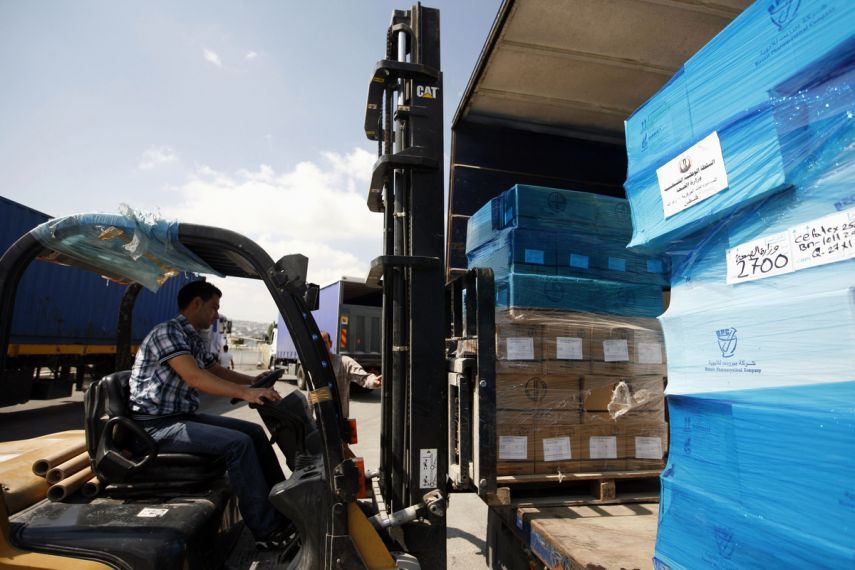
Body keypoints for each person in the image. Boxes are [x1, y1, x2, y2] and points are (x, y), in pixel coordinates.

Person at [128, 280, 293, 551]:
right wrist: (246, 393)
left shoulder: (190, 337)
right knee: (238, 444)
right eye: (214, 307)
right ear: (196, 303)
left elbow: (214, 370)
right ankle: (267, 530)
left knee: (253, 432)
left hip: (179, 418)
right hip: (153, 427)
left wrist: (253, 382)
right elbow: (195, 377)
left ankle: (286, 506)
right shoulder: (167, 332)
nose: (217, 314)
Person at [320, 330, 381, 418]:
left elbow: (363, 377)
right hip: (318, 421)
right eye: (318, 343)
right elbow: (312, 398)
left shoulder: (344, 362)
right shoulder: (313, 366)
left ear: (330, 344)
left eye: (324, 342)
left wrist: (373, 381)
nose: (321, 346)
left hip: (339, 421)